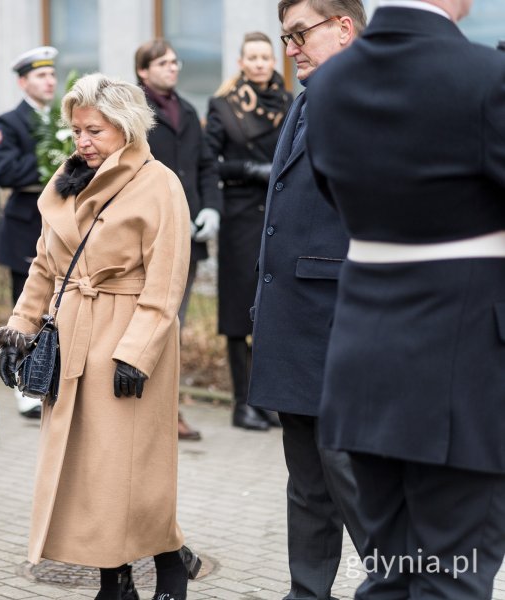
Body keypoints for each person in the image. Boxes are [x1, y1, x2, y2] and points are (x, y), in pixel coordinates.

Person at [307, 0, 505, 597]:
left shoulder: (329, 82)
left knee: (392, 570)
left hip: (364, 359)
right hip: (461, 363)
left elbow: (334, 196)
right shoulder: (486, 77)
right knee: (452, 574)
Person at [0, 73, 194, 600]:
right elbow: (43, 266)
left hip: (128, 337)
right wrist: (19, 329)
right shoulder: (67, 180)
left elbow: (167, 277)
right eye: (77, 130)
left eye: (94, 130)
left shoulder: (159, 183)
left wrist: (138, 351)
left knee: (130, 471)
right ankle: (116, 580)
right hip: (73, 334)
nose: (81, 141)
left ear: (125, 128)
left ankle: (170, 563)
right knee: (88, 472)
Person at [247, 1, 369, 597]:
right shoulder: (308, 96)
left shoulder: (369, 93)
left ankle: (406, 588)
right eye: (285, 35)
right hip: (294, 323)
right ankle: (308, 591)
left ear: (344, 27)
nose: (291, 47)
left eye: (301, 34)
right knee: (308, 484)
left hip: (341, 326)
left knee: (356, 482)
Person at [204, 33, 292, 431]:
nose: (259, 63)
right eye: (252, 57)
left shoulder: (290, 101)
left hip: (278, 214)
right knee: (240, 310)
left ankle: (267, 399)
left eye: (265, 57)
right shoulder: (223, 105)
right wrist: (249, 170)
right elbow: (209, 161)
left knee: (273, 309)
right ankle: (242, 403)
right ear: (241, 62)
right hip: (241, 214)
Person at [135, 38, 222, 442]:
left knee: (175, 327)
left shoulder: (187, 110)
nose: (174, 68)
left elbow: (205, 166)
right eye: (164, 62)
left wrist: (210, 209)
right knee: (145, 324)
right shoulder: (132, 112)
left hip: (188, 240)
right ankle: (142, 411)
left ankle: (169, 412)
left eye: (175, 62)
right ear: (143, 70)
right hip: (146, 241)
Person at [0, 46, 58, 420]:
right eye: (40, 76)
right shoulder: (10, 121)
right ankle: (21, 385)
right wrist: (50, 160)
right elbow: (5, 172)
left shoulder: (65, 119)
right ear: (22, 82)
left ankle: (46, 376)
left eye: (51, 75)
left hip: (59, 229)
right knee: (26, 306)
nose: (49, 81)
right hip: (25, 225)